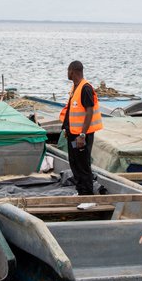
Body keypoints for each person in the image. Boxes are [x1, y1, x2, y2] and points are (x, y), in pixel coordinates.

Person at [60, 60, 103, 196]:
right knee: (75, 163)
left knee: (83, 165)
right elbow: (73, 112)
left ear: (73, 71)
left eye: (68, 71)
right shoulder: (75, 87)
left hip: (82, 137)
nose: (67, 74)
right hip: (74, 134)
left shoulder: (85, 88)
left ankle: (87, 195)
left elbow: (89, 112)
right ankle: (81, 192)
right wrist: (68, 129)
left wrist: (82, 135)